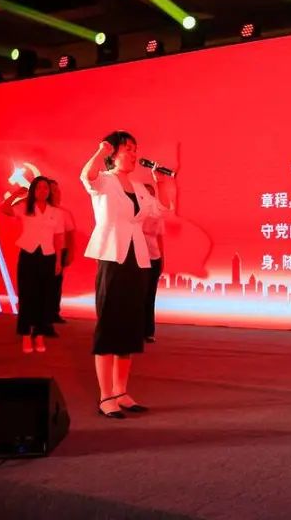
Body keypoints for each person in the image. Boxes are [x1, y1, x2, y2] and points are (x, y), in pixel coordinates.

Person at [81, 131, 175, 419]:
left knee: (131, 326)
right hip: (113, 256)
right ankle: (105, 396)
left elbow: (161, 211)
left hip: (138, 259)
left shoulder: (138, 186)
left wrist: (161, 183)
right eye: (128, 149)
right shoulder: (104, 180)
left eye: (136, 149)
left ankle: (121, 391)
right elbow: (87, 176)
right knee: (110, 325)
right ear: (113, 153)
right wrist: (100, 151)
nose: (134, 154)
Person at [1, 177, 64, 353]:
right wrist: (15, 194)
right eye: (39, 188)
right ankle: (26, 334)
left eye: (46, 188)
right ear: (33, 190)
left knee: (44, 297)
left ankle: (39, 333)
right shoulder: (24, 207)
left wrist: (58, 260)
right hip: (28, 255)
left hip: (48, 256)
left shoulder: (56, 212)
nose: (43, 191)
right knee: (27, 295)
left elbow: (59, 238)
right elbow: (4, 208)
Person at [49, 179, 76, 325]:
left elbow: (71, 235)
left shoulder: (64, 213)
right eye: (53, 190)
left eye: (57, 190)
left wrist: (71, 252)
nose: (56, 193)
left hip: (59, 251)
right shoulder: (37, 210)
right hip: (42, 251)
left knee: (55, 284)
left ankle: (53, 313)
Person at [142, 183, 165, 343]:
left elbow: (160, 237)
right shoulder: (134, 212)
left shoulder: (157, 214)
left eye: (151, 194)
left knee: (149, 296)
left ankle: (148, 331)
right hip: (137, 257)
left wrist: (162, 258)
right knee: (136, 295)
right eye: (145, 194)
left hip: (153, 257)